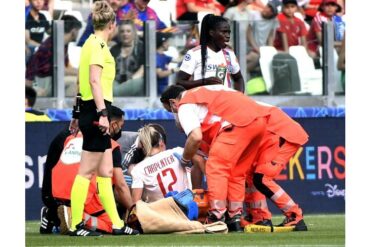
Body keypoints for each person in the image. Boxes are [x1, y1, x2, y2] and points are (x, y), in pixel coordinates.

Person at [68, 1, 138, 236]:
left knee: (105, 172)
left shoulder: (89, 44)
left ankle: (117, 224)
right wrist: (102, 114)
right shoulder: (98, 46)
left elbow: (81, 83)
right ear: (112, 24)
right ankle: (75, 223)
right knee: (86, 172)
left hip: (89, 110)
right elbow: (94, 81)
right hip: (97, 111)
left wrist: (77, 114)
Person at [160, 84, 271, 232]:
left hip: (238, 123)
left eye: (171, 110)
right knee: (237, 173)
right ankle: (235, 217)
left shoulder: (185, 104)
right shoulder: (203, 91)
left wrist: (185, 159)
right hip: (259, 120)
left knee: (215, 167)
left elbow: (195, 136)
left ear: (174, 102)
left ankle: (216, 217)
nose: (174, 113)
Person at [40, 106, 134, 235]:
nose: (120, 130)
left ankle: (53, 214)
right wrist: (134, 211)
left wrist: (49, 201)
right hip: (83, 197)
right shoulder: (110, 145)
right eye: (120, 126)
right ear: (112, 124)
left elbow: (50, 167)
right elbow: (120, 186)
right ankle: (73, 215)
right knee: (110, 223)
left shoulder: (67, 137)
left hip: (56, 193)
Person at [241, 104, 309, 231]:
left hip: (284, 134)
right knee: (251, 174)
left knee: (262, 178)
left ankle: (295, 216)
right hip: (275, 133)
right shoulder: (236, 106)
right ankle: (259, 217)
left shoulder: (234, 111)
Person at [176, 14, 245, 93]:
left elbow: (238, 78)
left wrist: (240, 97)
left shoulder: (229, 53)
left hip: (224, 102)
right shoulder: (194, 53)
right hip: (203, 102)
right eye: (224, 32)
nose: (228, 36)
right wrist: (204, 82)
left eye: (229, 32)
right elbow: (180, 82)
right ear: (211, 33)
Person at [131, 125, 192, 203]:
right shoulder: (178, 151)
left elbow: (136, 204)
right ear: (160, 142)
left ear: (142, 146)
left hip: (160, 213)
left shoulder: (138, 170)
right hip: (186, 208)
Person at [26, 15, 82, 97]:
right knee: (75, 82)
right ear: (73, 31)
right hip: (42, 82)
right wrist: (82, 72)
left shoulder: (63, 44)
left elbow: (66, 67)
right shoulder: (53, 44)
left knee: (78, 80)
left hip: (52, 78)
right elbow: (60, 69)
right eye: (78, 31)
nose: (78, 34)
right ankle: (66, 108)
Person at [110, 20, 145, 96]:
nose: (125, 34)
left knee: (139, 82)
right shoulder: (114, 49)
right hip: (116, 82)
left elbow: (143, 69)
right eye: (122, 31)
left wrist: (130, 81)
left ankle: (115, 94)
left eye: (128, 31)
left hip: (134, 81)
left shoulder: (141, 48)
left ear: (134, 33)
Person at [246, 0, 280, 73]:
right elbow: (248, 34)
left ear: (274, 14)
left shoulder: (274, 20)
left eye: (271, 10)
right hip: (249, 47)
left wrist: (269, 50)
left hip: (262, 49)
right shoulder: (253, 15)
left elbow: (270, 37)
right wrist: (256, 49)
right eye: (268, 6)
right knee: (254, 58)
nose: (268, 10)